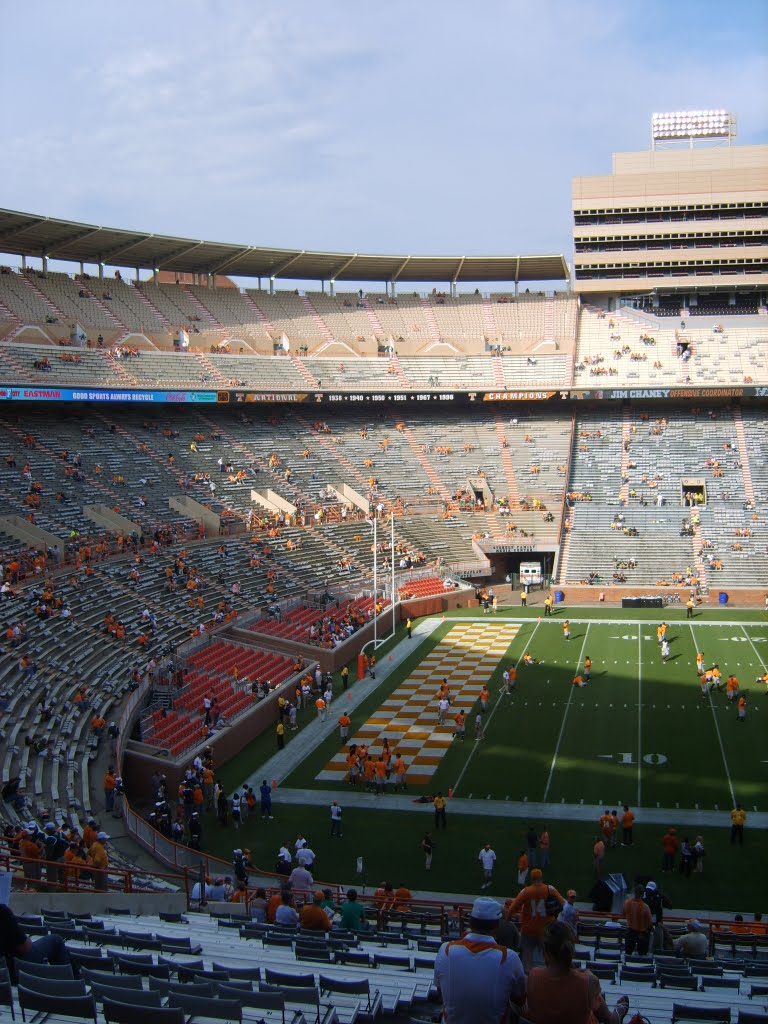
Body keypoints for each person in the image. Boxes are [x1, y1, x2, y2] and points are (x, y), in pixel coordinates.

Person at [433, 897, 526, 1024]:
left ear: (470, 923)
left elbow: (441, 993)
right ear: (496, 926)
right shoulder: (509, 958)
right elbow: (520, 1000)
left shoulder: (446, 950)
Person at [525, 921, 629, 1024]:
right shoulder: (588, 982)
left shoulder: (533, 976)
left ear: (546, 952)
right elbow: (608, 1019)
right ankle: (619, 1011)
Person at [508, 868, 564, 972]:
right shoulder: (550, 889)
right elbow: (562, 904)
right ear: (542, 878)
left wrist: (507, 920)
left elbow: (512, 908)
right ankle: (548, 975)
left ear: (531, 879)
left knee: (527, 954)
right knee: (548, 954)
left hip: (528, 929)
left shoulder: (526, 891)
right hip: (546, 929)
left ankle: (528, 977)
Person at [0, 903, 72, 976]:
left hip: (3, 971)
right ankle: (70, 982)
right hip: (14, 968)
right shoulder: (2, 911)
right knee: (56, 940)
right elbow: (25, 947)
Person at [623, 884, 653, 955]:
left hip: (630, 931)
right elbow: (649, 922)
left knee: (628, 954)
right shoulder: (645, 907)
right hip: (642, 933)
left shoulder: (627, 903)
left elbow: (623, 914)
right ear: (642, 894)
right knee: (642, 956)